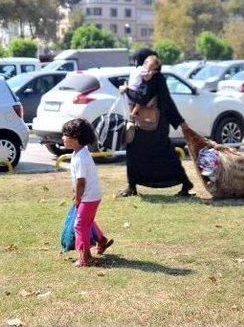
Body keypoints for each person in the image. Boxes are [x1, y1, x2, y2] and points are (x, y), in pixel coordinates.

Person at [118, 48, 195, 197]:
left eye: (142, 61)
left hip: (153, 126)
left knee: (158, 154)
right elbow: (167, 102)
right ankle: (132, 185)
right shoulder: (148, 77)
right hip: (151, 125)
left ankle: (185, 183)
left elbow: (143, 98)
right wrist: (180, 121)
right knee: (145, 154)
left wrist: (126, 90)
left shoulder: (155, 78)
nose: (139, 65)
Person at [62, 118, 114, 267]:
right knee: (86, 221)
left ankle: (85, 257)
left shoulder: (81, 158)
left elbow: (81, 182)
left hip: (88, 197)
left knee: (79, 225)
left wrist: (77, 198)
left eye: (66, 134)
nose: (63, 138)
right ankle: (102, 241)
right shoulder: (79, 152)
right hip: (92, 196)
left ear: (76, 138)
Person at [122, 54, 161, 119]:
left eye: (153, 68)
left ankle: (132, 115)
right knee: (139, 103)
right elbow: (146, 78)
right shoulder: (143, 70)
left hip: (129, 88)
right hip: (134, 90)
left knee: (130, 104)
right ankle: (133, 114)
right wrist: (152, 73)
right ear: (145, 63)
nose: (151, 69)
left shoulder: (137, 69)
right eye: (151, 66)